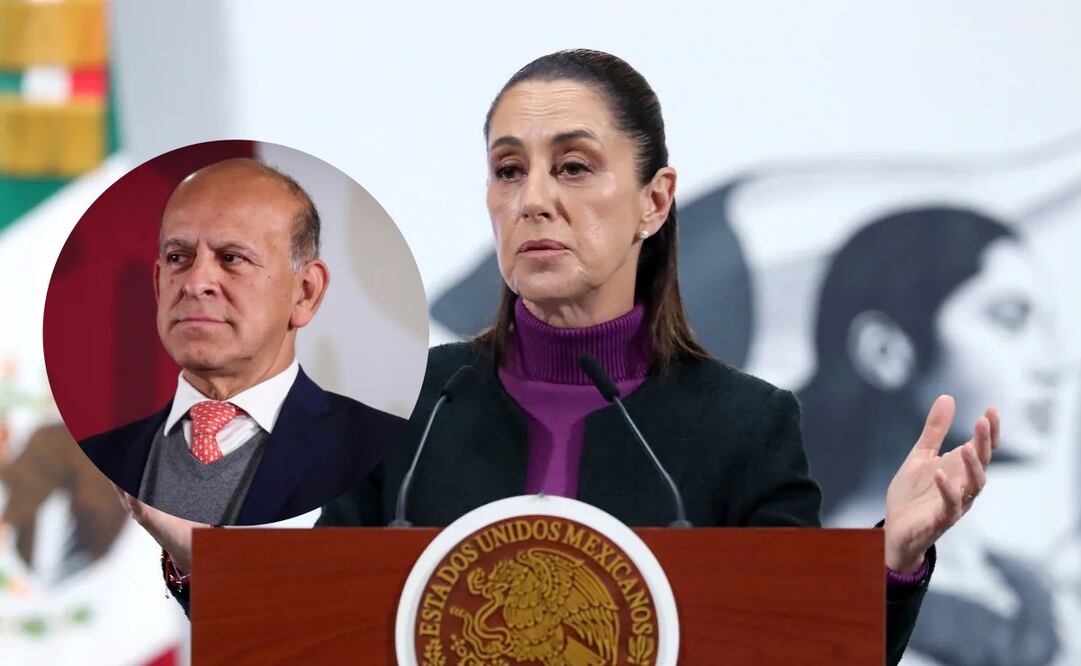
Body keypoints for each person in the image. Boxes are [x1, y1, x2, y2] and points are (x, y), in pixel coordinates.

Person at [124, 51, 998, 664]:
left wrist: (892, 560)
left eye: (572, 167)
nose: (534, 198)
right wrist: (210, 570)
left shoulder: (745, 424)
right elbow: (316, 631)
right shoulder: (409, 408)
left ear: (654, 201)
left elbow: (798, 645)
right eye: (509, 171)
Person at [799, 207, 1061, 664]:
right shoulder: (807, 594)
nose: (1052, 363)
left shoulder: (1035, 591)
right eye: (1009, 319)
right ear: (885, 350)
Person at [82, 158, 404, 526]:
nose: (194, 282)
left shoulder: (381, 451)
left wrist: (197, 561)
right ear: (157, 284)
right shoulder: (100, 456)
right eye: (178, 258)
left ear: (305, 292)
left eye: (232, 258)